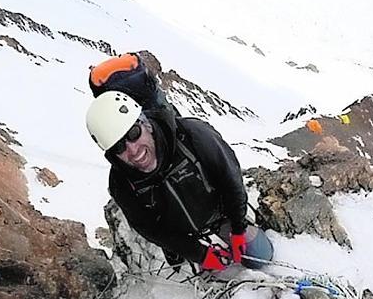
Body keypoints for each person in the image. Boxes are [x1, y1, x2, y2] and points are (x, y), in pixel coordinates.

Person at [85, 90, 273, 271]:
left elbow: (230, 180)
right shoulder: (121, 183)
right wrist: (199, 254)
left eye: (134, 133)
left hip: (221, 215)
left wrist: (238, 228)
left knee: (259, 256)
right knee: (216, 274)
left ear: (146, 124)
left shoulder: (193, 135)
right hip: (181, 233)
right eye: (119, 147)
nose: (133, 150)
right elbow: (149, 228)